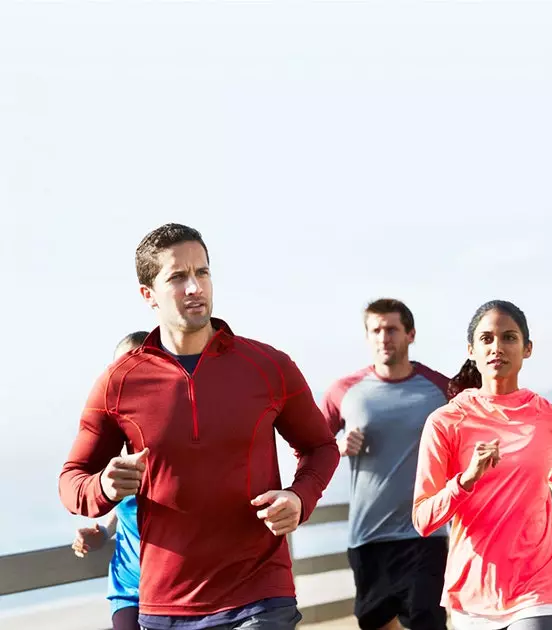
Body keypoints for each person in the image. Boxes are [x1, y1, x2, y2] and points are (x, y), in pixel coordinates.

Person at [59, 223, 340, 630]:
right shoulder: (118, 382)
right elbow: (72, 480)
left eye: (202, 273)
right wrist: (103, 486)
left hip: (261, 595)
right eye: (177, 277)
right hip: (165, 607)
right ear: (148, 295)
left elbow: (321, 447)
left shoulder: (268, 367)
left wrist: (300, 498)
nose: (194, 287)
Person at [413, 299, 552, 630]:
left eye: (509, 337)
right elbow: (423, 520)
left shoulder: (550, 418)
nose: (497, 347)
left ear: (527, 349)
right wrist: (466, 479)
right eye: (486, 338)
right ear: (471, 349)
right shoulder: (445, 422)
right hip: (474, 590)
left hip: (539, 582)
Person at [321, 298, 450, 630]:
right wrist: (337, 445)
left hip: (426, 533)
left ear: (410, 334)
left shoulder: (440, 389)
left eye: (391, 329)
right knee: (376, 623)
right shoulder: (344, 391)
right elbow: (312, 446)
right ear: (367, 337)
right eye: (375, 330)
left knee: (427, 620)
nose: (383, 337)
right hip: (369, 537)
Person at [71, 331, 149, 630]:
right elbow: (125, 509)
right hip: (128, 590)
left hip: (181, 592)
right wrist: (102, 532)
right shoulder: (111, 442)